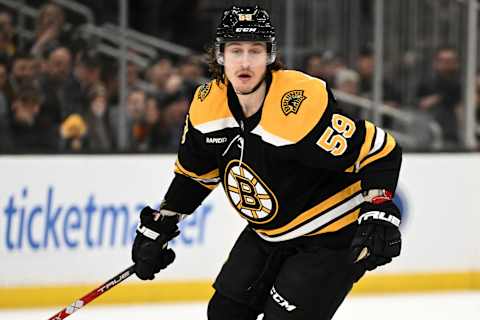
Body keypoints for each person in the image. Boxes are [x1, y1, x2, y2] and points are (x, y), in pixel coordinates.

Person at [131, 6, 402, 320]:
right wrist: (162, 222)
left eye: (255, 51)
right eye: (235, 51)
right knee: (223, 314)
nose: (245, 62)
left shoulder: (297, 103)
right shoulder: (207, 107)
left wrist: (378, 207)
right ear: (220, 56)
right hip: (267, 234)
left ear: (270, 55)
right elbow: (195, 176)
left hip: (329, 234)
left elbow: (380, 150)